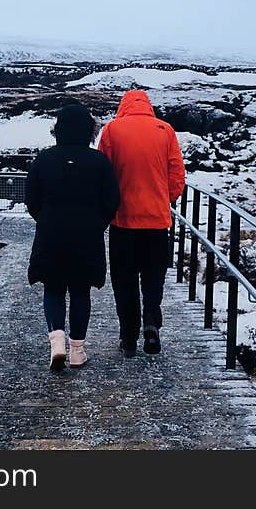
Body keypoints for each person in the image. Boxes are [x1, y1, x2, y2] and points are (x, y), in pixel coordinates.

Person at [26, 103, 120, 371]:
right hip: (87, 236)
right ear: (89, 131)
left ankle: (56, 339)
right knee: (81, 290)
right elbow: (112, 201)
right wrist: (97, 224)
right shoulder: (100, 162)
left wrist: (45, 220)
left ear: (58, 130)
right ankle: (77, 350)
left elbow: (31, 199)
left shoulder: (43, 160)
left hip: (51, 234)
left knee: (53, 287)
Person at [98, 90, 185, 357]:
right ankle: (151, 320)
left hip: (123, 222)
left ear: (123, 107)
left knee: (124, 280)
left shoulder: (112, 130)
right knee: (153, 277)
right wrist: (164, 198)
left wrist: (110, 205)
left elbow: (103, 173)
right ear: (148, 106)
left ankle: (128, 337)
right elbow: (177, 173)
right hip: (157, 222)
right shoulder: (165, 130)